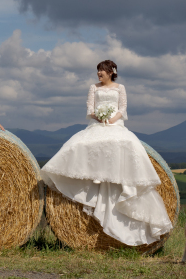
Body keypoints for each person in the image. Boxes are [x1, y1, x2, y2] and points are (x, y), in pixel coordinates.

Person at [40, 60, 172, 246]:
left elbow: (123, 109)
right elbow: (89, 109)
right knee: (80, 144)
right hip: (97, 123)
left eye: (102, 70)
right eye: (98, 70)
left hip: (115, 123)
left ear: (111, 72)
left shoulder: (120, 88)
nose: (99, 73)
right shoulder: (93, 88)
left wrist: (111, 119)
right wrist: (99, 117)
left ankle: (118, 177)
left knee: (125, 142)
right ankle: (94, 174)